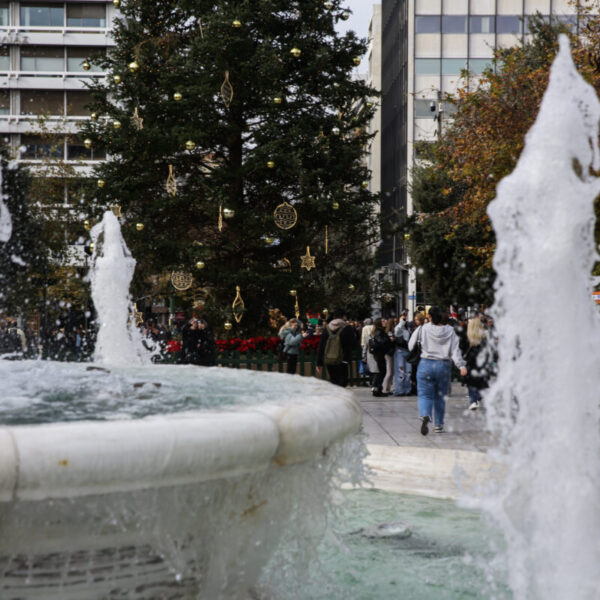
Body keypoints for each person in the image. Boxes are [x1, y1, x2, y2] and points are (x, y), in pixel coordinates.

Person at [408, 306, 467, 435]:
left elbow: (411, 345)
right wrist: (461, 366)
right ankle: (438, 425)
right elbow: (455, 351)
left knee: (425, 394)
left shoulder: (422, 329)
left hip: (425, 364)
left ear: (429, 317)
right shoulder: (450, 330)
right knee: (440, 396)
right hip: (443, 365)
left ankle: (425, 414)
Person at [316, 310, 356, 387]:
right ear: (343, 317)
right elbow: (353, 343)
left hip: (329, 358)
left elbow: (321, 345)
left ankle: (336, 393)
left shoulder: (327, 328)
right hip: (342, 359)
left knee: (334, 379)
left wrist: (319, 362)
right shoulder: (347, 327)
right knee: (342, 380)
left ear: (334, 317)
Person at [463, 317, 491, 410]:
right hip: (481, 364)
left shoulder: (467, 338)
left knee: (471, 383)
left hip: (470, 364)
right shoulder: (484, 338)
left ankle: (473, 401)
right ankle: (477, 398)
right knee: (481, 383)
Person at [368, 318, 393, 397]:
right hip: (380, 354)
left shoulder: (379, 331)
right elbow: (381, 342)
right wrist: (389, 340)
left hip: (379, 353)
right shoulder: (379, 332)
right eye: (383, 321)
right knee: (381, 372)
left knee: (381, 371)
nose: (385, 322)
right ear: (379, 323)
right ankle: (378, 390)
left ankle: (378, 389)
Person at [393, 315, 412, 396]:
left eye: (405, 319)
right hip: (400, 351)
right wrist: (401, 322)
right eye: (402, 319)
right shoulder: (399, 328)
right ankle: (399, 390)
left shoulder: (408, 329)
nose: (404, 320)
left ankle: (407, 389)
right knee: (400, 371)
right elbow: (396, 332)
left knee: (408, 371)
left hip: (408, 351)